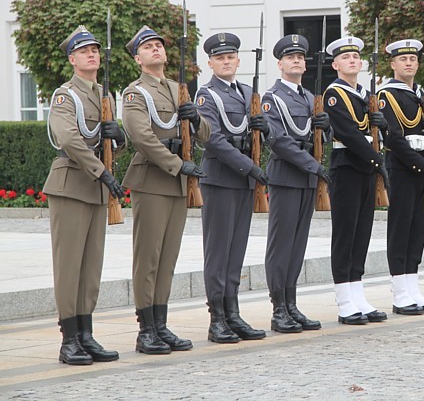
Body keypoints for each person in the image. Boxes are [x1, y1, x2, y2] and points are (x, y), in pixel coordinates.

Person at [122, 26, 210, 354]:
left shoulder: (178, 89)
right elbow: (141, 138)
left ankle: (161, 324)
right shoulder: (135, 92)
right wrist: (177, 164)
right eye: (148, 46)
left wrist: (195, 117)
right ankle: (146, 329)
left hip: (176, 184)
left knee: (168, 258)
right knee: (149, 258)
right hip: (153, 180)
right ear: (138, 58)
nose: (156, 49)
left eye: (159, 45)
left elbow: (206, 135)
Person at [44, 26, 125, 365]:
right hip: (71, 187)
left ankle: (86, 334)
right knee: (69, 267)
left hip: (94, 188)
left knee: (91, 268)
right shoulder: (66, 96)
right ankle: (69, 340)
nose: (92, 54)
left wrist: (117, 140)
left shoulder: (103, 97)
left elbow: (105, 146)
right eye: (84, 51)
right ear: (72, 59)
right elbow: (69, 140)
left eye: (95, 50)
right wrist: (102, 172)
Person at [194, 32, 268, 343]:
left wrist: (263, 132)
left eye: (231, 56)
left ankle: (233, 313)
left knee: (236, 250)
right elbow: (213, 140)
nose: (226, 61)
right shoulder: (206, 95)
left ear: (238, 60)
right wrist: (250, 167)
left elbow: (255, 137)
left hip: (243, 181)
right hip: (221, 179)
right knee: (218, 252)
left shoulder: (248, 92)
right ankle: (217, 318)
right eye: (220, 57)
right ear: (210, 62)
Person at [260, 34, 331, 333]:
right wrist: (314, 166)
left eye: (300, 57)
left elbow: (315, 139)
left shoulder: (307, 97)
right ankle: (278, 309)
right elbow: (279, 141)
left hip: (306, 179)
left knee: (298, 245)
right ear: (280, 64)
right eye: (291, 57)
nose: (297, 61)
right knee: (281, 245)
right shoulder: (271, 98)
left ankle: (291, 304)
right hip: (287, 177)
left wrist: (325, 132)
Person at [377, 39, 424, 315]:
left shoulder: (420, 94)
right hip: (402, 167)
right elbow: (393, 137)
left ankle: (412, 288)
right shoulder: (387, 95)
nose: (408, 63)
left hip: (420, 168)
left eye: (413, 59)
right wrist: (422, 166)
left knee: (418, 230)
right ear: (393, 64)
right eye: (402, 59)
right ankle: (399, 292)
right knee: (400, 230)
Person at [323, 36, 389, 325]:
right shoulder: (334, 94)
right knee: (345, 235)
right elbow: (349, 133)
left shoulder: (364, 93)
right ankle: (344, 301)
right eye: (345, 57)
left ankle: (358, 295)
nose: (352, 60)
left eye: (355, 57)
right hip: (347, 167)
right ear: (335, 64)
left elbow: (370, 129)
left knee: (361, 234)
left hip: (364, 168)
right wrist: (377, 160)